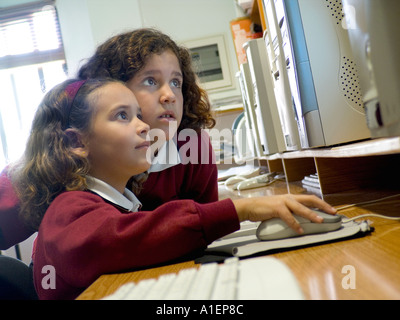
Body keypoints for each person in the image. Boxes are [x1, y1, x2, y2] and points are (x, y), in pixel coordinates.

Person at [10, 78, 336, 299]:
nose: (142, 126)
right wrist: (241, 209)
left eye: (138, 114)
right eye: (122, 116)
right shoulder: (67, 210)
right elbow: (118, 239)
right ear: (76, 142)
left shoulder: (117, 202)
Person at [0, 28, 217, 249]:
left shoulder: (193, 145)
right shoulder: (76, 153)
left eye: (176, 82)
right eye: (150, 81)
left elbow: (208, 227)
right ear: (113, 89)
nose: (169, 95)